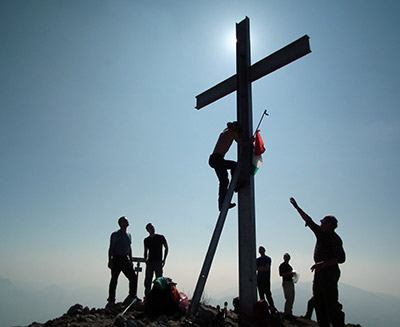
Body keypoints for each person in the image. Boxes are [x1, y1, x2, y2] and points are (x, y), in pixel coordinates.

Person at [290, 197, 346, 327]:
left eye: (323, 221)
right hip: (320, 273)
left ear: (329, 225)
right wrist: (297, 207)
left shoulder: (335, 239)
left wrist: (323, 264)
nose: (320, 222)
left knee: (330, 304)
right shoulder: (321, 233)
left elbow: (341, 258)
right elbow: (308, 220)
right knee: (319, 303)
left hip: (329, 273)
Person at [209, 121, 252, 211]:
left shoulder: (224, 133)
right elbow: (243, 144)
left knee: (224, 181)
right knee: (234, 165)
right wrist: (251, 141)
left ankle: (222, 204)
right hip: (218, 159)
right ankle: (236, 185)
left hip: (214, 159)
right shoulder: (232, 133)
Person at [107, 216, 138, 305]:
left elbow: (129, 248)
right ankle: (111, 300)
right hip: (117, 258)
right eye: (125, 221)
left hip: (125, 258)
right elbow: (111, 248)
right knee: (114, 279)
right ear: (121, 223)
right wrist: (110, 260)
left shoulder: (129, 235)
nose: (127, 221)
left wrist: (131, 260)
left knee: (133, 277)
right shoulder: (115, 234)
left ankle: (132, 296)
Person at [143, 223, 168, 297]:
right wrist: (145, 259)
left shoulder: (160, 237)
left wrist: (164, 259)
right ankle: (147, 297)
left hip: (158, 261)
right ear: (148, 230)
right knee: (148, 280)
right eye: (150, 228)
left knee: (159, 280)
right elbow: (145, 250)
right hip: (150, 262)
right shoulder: (146, 240)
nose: (152, 229)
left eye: (153, 227)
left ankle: (159, 297)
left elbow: (166, 247)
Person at [279, 253, 295, 319]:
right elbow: (281, 274)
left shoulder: (289, 266)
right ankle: (287, 313)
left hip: (290, 282)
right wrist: (290, 273)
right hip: (286, 282)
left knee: (292, 298)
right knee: (289, 298)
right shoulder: (282, 265)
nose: (287, 258)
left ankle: (289, 312)